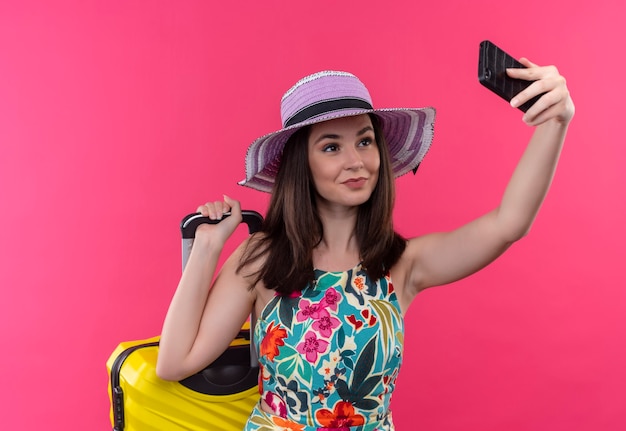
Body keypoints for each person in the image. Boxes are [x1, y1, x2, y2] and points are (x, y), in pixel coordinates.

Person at [157, 60, 574, 431]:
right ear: (303, 164)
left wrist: (556, 122)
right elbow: (174, 363)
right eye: (331, 146)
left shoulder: (403, 264)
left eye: (364, 140)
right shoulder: (264, 258)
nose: (356, 160)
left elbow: (508, 225)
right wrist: (208, 248)